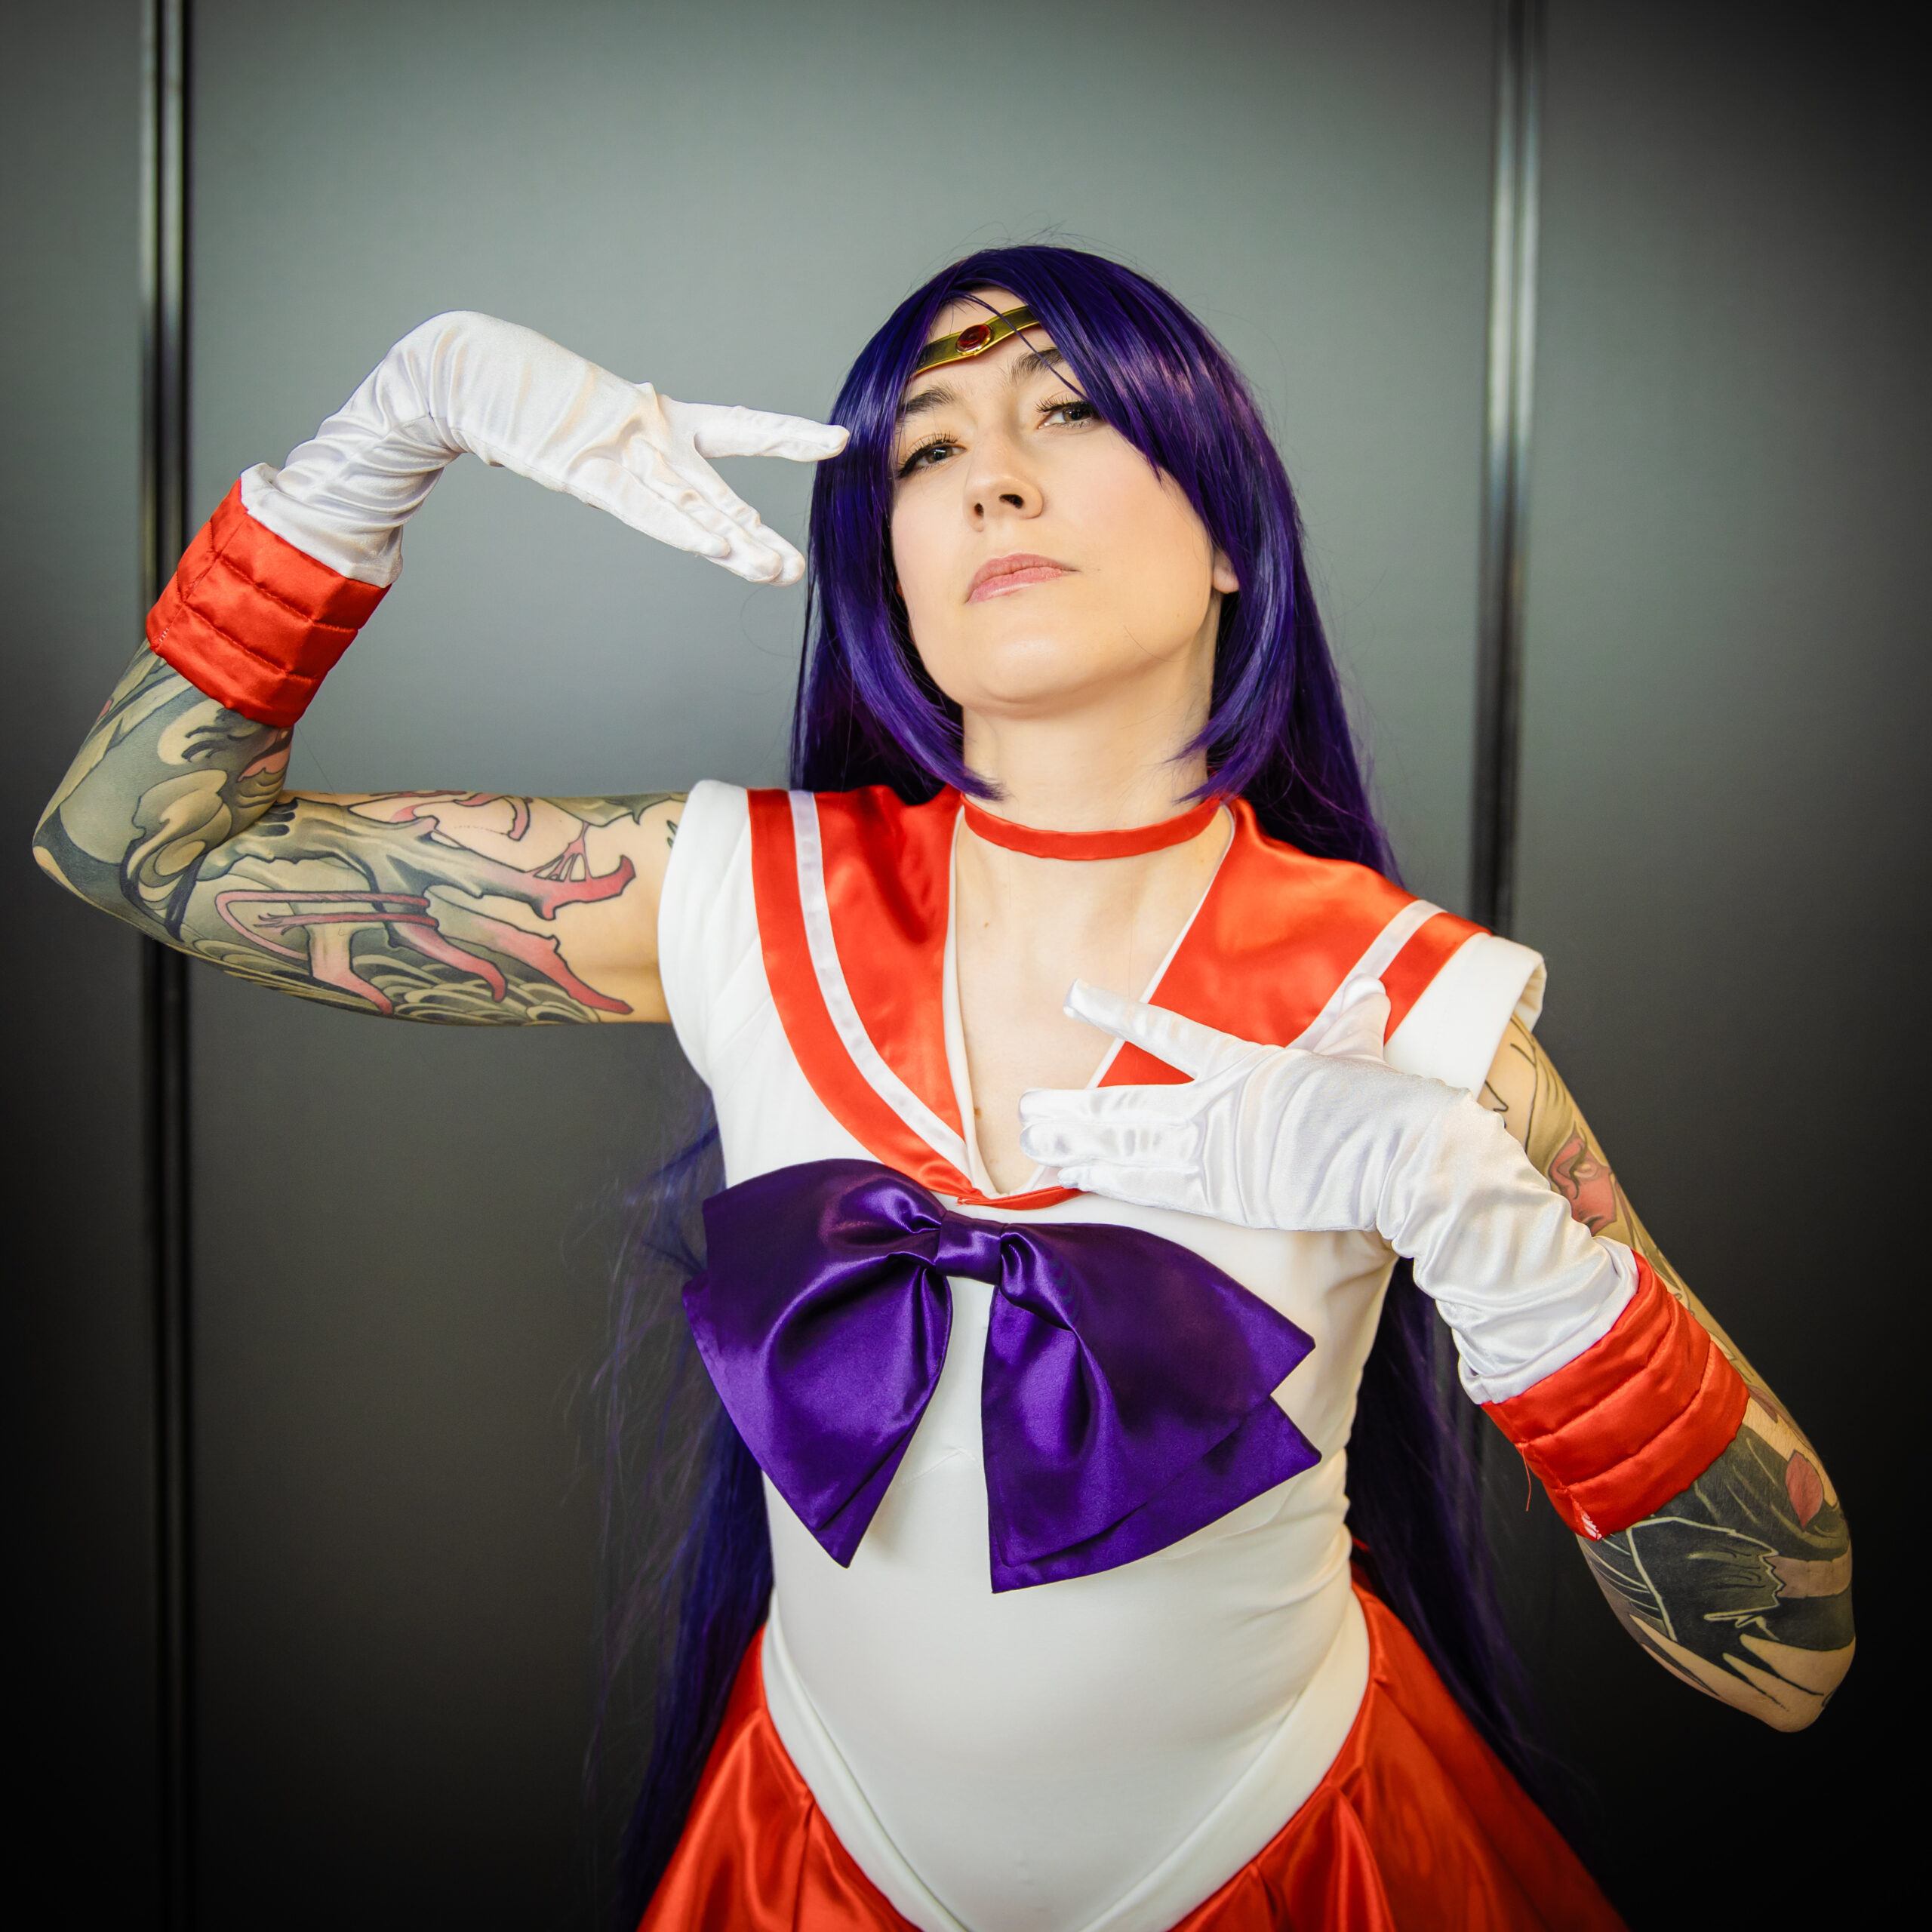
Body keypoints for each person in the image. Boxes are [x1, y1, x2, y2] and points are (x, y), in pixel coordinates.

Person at [35, 247, 1852, 1931]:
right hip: (806, 1861)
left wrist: (1467, 1203)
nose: (991, 477)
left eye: (1068, 409)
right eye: (925, 447)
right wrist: (383, 441)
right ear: (883, 568)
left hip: (1311, 1859)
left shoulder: (1409, 1008)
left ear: (1231, 530)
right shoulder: (732, 900)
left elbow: (1789, 1648)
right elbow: (140, 842)